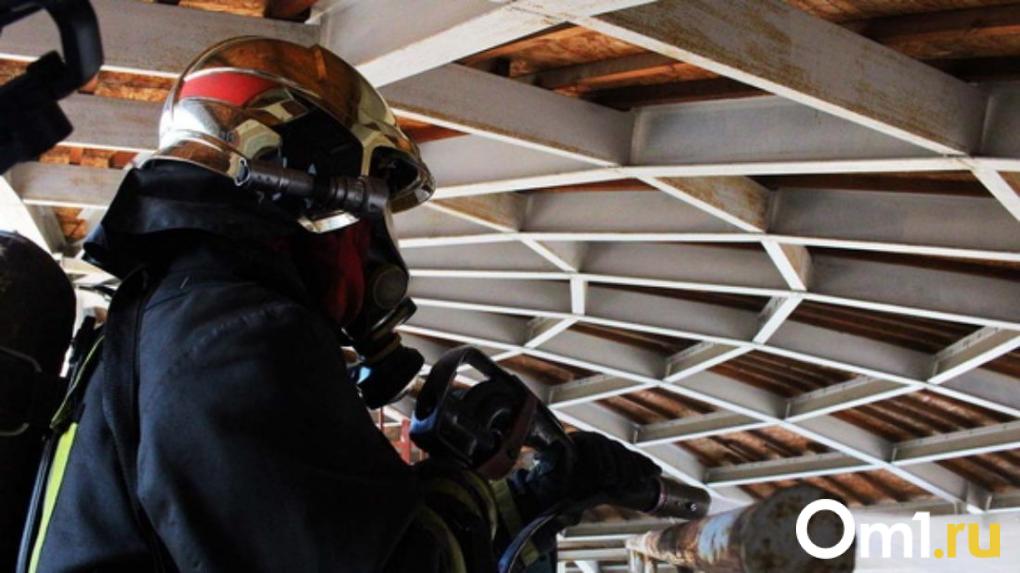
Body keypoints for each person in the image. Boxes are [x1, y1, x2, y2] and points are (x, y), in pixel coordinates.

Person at [24, 37, 660, 573]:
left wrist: (529, 495)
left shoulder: (170, 323)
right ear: (303, 184)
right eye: (370, 206)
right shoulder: (234, 338)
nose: (374, 244)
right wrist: (467, 479)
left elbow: (320, 537)